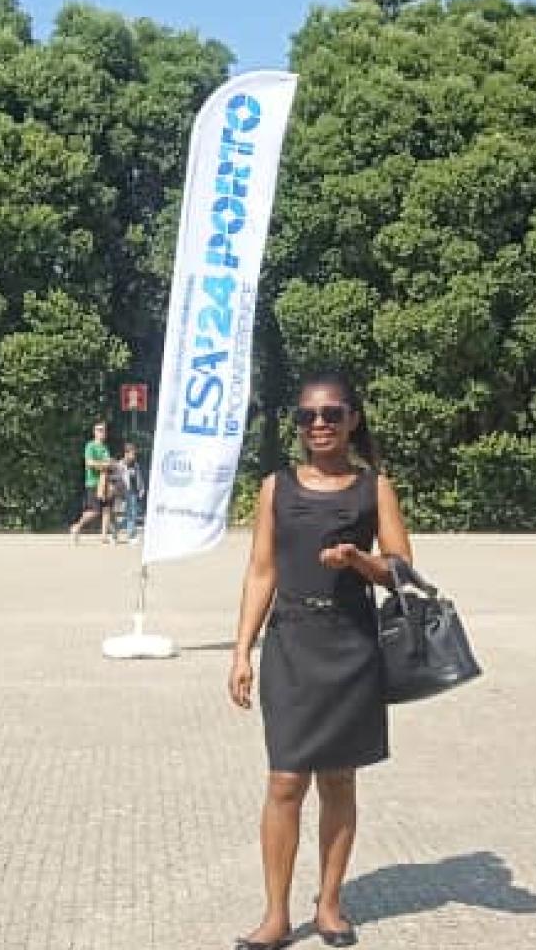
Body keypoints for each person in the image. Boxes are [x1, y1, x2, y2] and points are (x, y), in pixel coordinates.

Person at [228, 372, 412, 950]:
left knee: (338, 780)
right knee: (285, 780)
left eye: (332, 414)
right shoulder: (275, 487)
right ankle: (276, 915)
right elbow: (262, 571)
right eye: (308, 416)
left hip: (352, 647)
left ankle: (330, 904)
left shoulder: (373, 487)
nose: (319, 425)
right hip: (291, 643)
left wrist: (360, 559)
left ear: (353, 419)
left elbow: (402, 571)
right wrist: (241, 652)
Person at [67, 421, 114, 544]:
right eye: (99, 430)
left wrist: (110, 465)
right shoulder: (90, 446)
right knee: (94, 511)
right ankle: (76, 527)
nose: (102, 432)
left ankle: (104, 536)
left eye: (104, 430)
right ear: (94, 432)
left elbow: (109, 462)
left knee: (107, 509)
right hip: (93, 483)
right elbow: (89, 463)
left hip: (105, 482)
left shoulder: (105, 448)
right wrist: (103, 465)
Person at [117, 441, 144, 543]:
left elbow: (139, 477)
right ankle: (115, 533)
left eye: (135, 453)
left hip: (133, 492)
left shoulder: (135, 465)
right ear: (126, 453)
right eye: (133, 453)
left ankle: (131, 535)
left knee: (132, 514)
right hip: (123, 493)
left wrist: (141, 489)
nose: (134, 455)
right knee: (123, 515)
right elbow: (116, 478)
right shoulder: (120, 464)